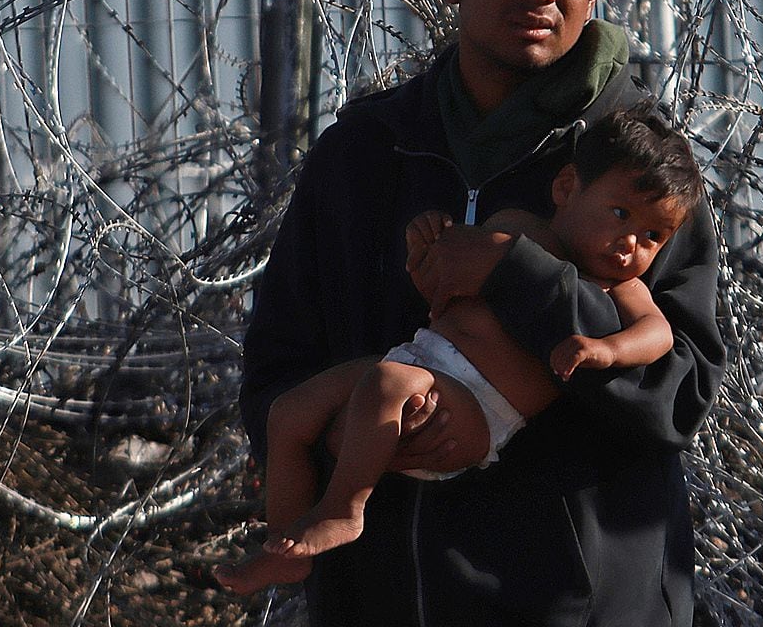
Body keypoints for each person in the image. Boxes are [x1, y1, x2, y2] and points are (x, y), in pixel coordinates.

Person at [238, 0, 726, 627]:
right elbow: (278, 366)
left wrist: (520, 279)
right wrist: (387, 435)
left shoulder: (635, 172)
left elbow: (676, 391)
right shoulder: (366, 157)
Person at [218, 107, 704, 594]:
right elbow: (442, 284)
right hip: (423, 358)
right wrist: (426, 239)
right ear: (566, 188)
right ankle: (283, 546)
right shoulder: (514, 226)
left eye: (653, 236)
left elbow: (657, 335)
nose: (630, 243)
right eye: (620, 214)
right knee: (290, 412)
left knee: (387, 384)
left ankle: (345, 509)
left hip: (478, 409)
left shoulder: (616, 286)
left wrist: (606, 350)